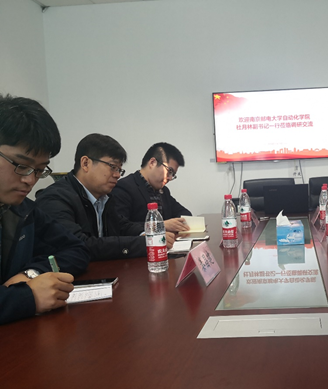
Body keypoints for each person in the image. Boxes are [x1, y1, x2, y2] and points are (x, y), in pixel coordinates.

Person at [0, 94, 89, 325]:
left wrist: (30, 274)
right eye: (21, 165)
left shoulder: (23, 210)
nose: (30, 180)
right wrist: (27, 297)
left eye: (39, 170)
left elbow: (77, 249)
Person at [36, 134, 175, 261]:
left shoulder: (105, 197)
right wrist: (145, 243)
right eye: (112, 167)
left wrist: (150, 234)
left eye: (119, 170)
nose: (117, 175)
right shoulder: (55, 199)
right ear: (85, 163)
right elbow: (81, 245)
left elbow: (122, 226)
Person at [111, 142, 191, 233]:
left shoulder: (163, 191)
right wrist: (160, 226)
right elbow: (121, 226)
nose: (169, 178)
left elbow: (184, 214)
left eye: (173, 175)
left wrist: (178, 224)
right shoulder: (125, 187)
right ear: (152, 162)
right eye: (169, 171)